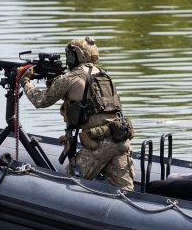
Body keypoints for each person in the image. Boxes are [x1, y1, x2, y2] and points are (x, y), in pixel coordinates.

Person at [20, 36, 135, 190]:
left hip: (100, 144)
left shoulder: (70, 78)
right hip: (120, 139)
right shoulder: (104, 76)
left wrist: (25, 82)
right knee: (125, 193)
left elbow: (41, 100)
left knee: (69, 185)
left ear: (76, 55)